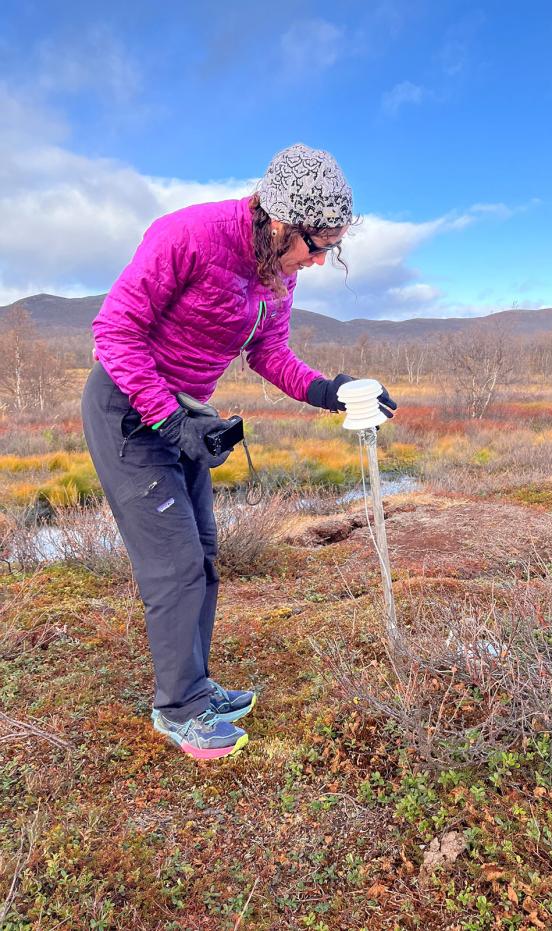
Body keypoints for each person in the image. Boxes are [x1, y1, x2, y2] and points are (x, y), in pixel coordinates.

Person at [81, 143, 397, 760]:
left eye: (332, 248)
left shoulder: (279, 274)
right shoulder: (188, 235)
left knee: (202, 554)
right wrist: (169, 420)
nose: (319, 259)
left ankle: (194, 685)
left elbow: (269, 353)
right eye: (316, 244)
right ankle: (178, 709)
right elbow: (114, 332)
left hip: (186, 416)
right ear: (279, 222)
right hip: (127, 410)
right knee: (172, 566)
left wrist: (333, 392)